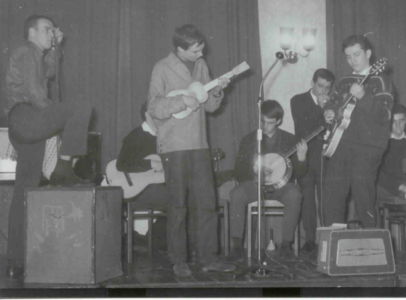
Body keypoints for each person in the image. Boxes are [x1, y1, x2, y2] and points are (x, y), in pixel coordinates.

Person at [4, 15, 92, 279]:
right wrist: (57, 117)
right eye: (47, 30)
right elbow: (35, 91)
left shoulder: (33, 54)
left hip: (20, 124)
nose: (51, 33)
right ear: (31, 32)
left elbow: (50, 73)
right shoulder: (26, 51)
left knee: (25, 188)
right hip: (28, 115)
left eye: (53, 30)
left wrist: (55, 47)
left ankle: (15, 261)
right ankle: (63, 166)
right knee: (81, 107)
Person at [147, 24, 234, 277]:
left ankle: (209, 258)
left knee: (207, 203)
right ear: (179, 49)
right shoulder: (161, 68)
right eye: (195, 50)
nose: (200, 53)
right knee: (178, 205)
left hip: (199, 144)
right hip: (173, 145)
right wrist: (180, 101)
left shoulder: (201, 66)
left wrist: (218, 91)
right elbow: (154, 107)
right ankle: (178, 260)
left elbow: (210, 107)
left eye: (201, 48)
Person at [322, 34, 394, 227]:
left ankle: (372, 246)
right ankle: (334, 242)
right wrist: (328, 112)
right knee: (333, 192)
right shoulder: (345, 80)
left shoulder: (381, 80)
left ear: (368, 53)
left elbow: (384, 115)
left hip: (368, 147)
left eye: (356, 54)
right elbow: (333, 102)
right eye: (348, 56)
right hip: (341, 144)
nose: (352, 60)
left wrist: (363, 96)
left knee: (364, 195)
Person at [229, 100, 307, 259]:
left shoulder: (290, 140)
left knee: (295, 194)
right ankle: (237, 245)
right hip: (255, 185)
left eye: (270, 123)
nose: (264, 126)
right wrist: (255, 172)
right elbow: (238, 171)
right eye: (262, 121)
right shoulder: (249, 139)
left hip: (281, 187)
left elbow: (300, 174)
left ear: (278, 121)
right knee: (237, 194)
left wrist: (301, 157)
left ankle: (286, 244)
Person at [290, 68, 335, 254]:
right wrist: (322, 110)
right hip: (305, 156)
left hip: (326, 157)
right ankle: (309, 241)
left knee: (327, 199)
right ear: (312, 82)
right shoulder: (297, 100)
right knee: (308, 198)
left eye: (327, 88)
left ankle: (328, 239)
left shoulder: (334, 102)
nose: (323, 91)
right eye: (320, 86)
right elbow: (303, 126)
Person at [116, 103, 169, 245]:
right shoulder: (135, 136)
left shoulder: (167, 137)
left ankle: (164, 244)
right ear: (147, 115)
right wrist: (150, 164)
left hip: (157, 187)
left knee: (180, 194)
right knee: (177, 198)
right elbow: (121, 164)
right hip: (137, 192)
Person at [377, 104, 406, 203]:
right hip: (390, 189)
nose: (398, 125)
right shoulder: (382, 144)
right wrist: (400, 187)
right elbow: (378, 174)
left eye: (401, 120)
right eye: (394, 121)